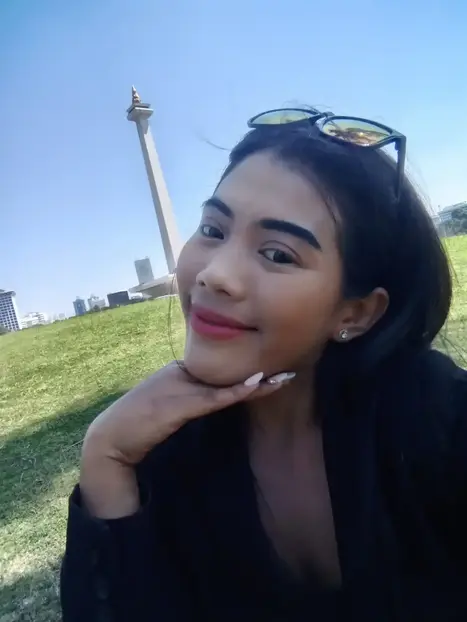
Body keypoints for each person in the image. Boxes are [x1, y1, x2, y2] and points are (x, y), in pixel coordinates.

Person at [60, 108, 467, 621]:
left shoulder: (440, 421)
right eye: (213, 229)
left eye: (277, 254)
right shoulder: (163, 453)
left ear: (356, 313)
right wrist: (107, 455)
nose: (215, 274)